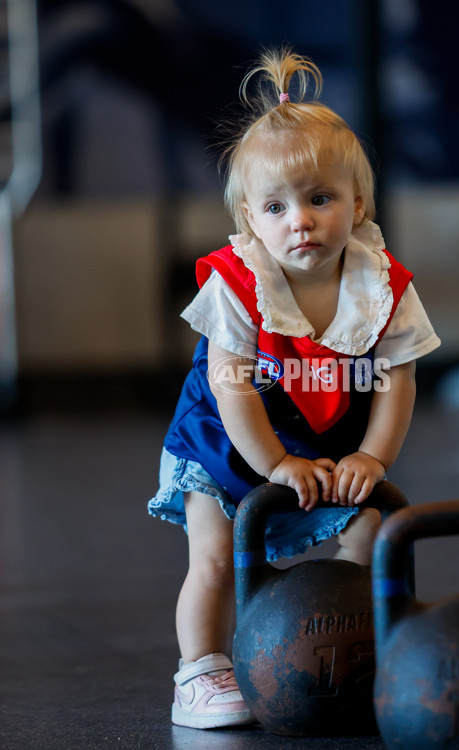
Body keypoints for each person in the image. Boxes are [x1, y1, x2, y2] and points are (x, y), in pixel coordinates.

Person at [148, 47, 440, 730]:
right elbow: (233, 389)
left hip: (326, 441)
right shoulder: (237, 285)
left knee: (373, 526)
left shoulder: (383, 285)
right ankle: (199, 668)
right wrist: (275, 464)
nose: (299, 221)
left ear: (357, 203)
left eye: (319, 199)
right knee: (216, 556)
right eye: (276, 207)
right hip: (226, 439)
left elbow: (398, 380)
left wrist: (373, 457)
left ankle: (357, 634)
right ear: (251, 220)